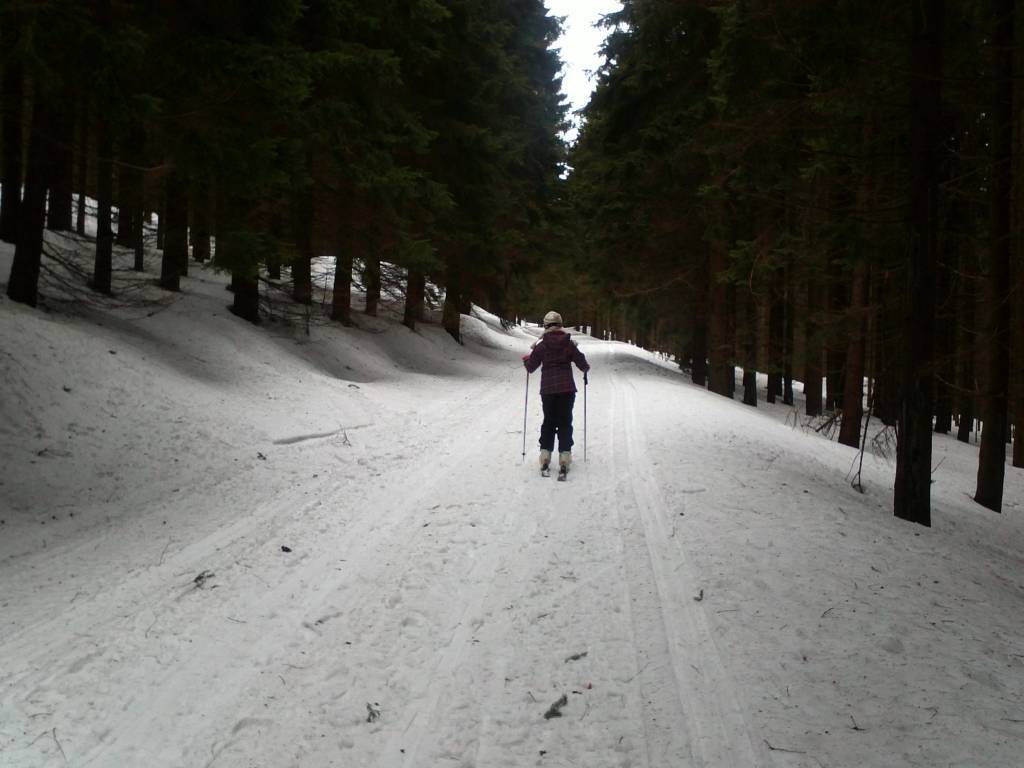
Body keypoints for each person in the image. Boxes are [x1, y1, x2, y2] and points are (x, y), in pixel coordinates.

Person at [522, 311, 590, 479]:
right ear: (560, 325)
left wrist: (526, 360)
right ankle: (565, 458)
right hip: (567, 389)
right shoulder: (568, 344)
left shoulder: (541, 345)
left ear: (546, 326)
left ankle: (545, 456)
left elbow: (531, 367)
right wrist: (584, 367)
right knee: (565, 422)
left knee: (549, 422)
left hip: (548, 390)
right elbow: (583, 364)